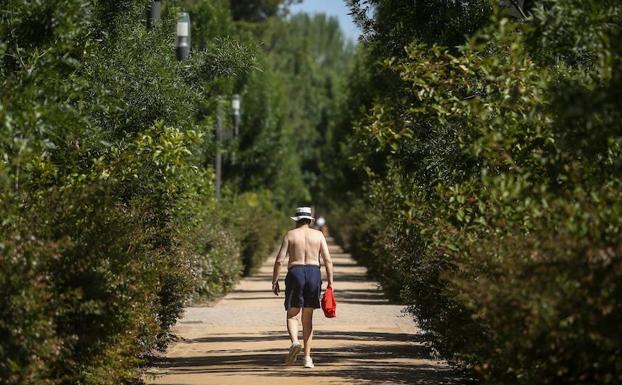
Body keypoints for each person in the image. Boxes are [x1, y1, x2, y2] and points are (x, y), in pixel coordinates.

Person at [271, 207, 334, 368]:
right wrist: (330, 283)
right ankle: (307, 358)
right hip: (314, 273)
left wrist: (275, 280)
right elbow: (327, 260)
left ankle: (294, 342)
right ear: (310, 220)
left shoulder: (290, 235)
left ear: (297, 220)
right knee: (308, 319)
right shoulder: (318, 235)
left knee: (293, 315)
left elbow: (279, 260)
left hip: (295, 272)